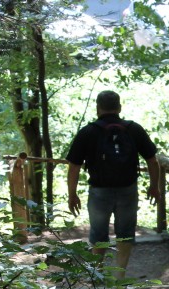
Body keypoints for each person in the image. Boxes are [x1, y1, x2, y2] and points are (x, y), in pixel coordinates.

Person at [66, 90, 160, 277]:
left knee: (98, 234)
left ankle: (98, 277)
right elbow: (152, 160)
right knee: (125, 233)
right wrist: (154, 186)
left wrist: (72, 194)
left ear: (97, 108)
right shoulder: (134, 129)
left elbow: (74, 167)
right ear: (119, 107)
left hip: (99, 191)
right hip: (128, 189)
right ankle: (119, 276)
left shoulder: (88, 132)